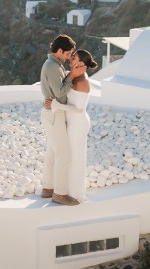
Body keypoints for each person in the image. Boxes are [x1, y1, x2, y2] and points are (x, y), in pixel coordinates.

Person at [49, 49, 98, 202]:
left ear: (81, 64)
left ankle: (75, 192)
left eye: (74, 57)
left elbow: (79, 109)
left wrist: (57, 105)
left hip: (78, 123)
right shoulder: (74, 75)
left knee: (75, 157)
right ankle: (65, 188)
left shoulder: (83, 82)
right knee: (69, 155)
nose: (71, 58)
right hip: (72, 122)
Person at [40, 34, 80, 206]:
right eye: (68, 54)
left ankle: (48, 188)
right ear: (59, 50)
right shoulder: (53, 67)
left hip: (51, 111)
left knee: (52, 152)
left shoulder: (53, 64)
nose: (69, 57)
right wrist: (72, 76)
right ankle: (60, 194)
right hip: (55, 113)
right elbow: (60, 92)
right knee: (64, 155)